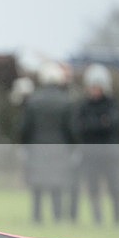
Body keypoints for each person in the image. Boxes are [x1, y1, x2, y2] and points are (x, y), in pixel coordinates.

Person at [19, 61, 78, 223]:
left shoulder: (33, 101)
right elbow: (71, 130)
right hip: (59, 149)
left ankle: (37, 217)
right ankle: (57, 217)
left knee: (37, 184)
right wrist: (73, 148)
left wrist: (25, 146)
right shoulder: (66, 101)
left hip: (37, 148)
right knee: (56, 184)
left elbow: (25, 128)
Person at [75, 63, 119, 225]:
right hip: (91, 155)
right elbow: (81, 127)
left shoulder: (112, 104)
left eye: (97, 87)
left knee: (115, 188)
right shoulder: (84, 106)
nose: (94, 90)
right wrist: (101, 123)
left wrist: (94, 124)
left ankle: (117, 219)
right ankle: (97, 219)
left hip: (109, 155)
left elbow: (113, 124)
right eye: (92, 87)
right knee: (93, 189)